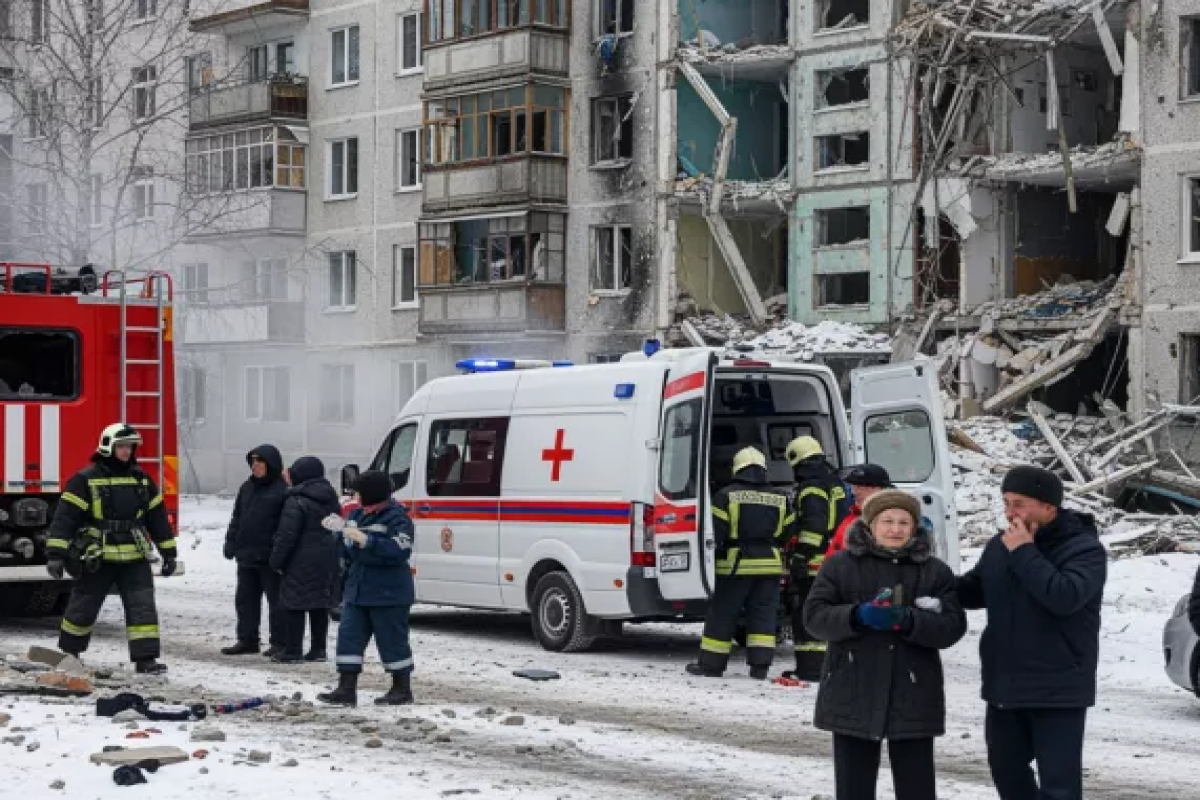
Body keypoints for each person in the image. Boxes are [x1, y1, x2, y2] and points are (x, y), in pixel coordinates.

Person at [804, 490, 966, 800]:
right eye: (887, 521)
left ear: (915, 526)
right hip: (852, 688)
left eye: (904, 522)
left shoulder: (934, 571)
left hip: (914, 691)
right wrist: (856, 615)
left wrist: (910, 621)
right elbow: (813, 617)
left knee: (917, 787)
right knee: (854, 788)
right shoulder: (840, 565)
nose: (895, 529)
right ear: (870, 525)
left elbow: (952, 627)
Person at [956, 466, 1107, 800]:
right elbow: (973, 590)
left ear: (1049, 507)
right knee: (1007, 775)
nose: (1011, 513)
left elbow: (1064, 597)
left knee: (1059, 788)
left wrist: (1025, 551)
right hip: (1005, 683)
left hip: (1058, 686)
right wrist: (926, 579)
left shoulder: (1084, 549)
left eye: (1019, 504)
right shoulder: (1001, 544)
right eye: (1007, 503)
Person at [45, 423, 177, 674]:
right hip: (98, 558)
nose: (127, 452)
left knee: (143, 609)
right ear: (108, 447)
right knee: (83, 606)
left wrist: (169, 553)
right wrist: (56, 555)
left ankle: (145, 659)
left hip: (135, 558)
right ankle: (70, 653)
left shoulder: (141, 480)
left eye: (130, 446)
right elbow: (65, 520)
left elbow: (158, 520)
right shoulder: (84, 480)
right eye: (122, 447)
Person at [685, 447, 796, 679]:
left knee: (724, 615)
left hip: (735, 565)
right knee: (764, 617)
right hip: (770, 565)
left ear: (737, 468)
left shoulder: (726, 495)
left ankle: (711, 666)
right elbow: (788, 532)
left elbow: (717, 533)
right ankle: (760, 667)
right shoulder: (780, 497)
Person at [317, 470, 416, 706]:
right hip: (358, 590)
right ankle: (346, 689)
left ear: (372, 493)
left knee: (392, 641)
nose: (356, 496)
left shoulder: (398, 518)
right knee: (349, 638)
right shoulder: (357, 516)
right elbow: (348, 551)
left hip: (388, 593)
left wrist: (367, 541)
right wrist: (339, 535)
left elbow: (399, 550)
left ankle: (402, 689)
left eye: (359, 492)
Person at [784, 435, 849, 681]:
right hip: (834, 558)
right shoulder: (834, 482)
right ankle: (825, 667)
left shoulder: (811, 486)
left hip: (814, 562)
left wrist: (800, 555)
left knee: (807, 615)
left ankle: (810, 669)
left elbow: (814, 525)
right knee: (828, 613)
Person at [269, 456, 341, 664]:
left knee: (294, 603)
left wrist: (276, 561)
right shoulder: (330, 497)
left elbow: (286, 535)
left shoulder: (296, 500)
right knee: (319, 603)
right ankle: (318, 649)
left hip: (300, 558)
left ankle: (293, 650)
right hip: (326, 557)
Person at [220, 445, 289, 657]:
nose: (256, 465)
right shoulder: (246, 487)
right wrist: (231, 541)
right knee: (245, 600)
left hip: (269, 557)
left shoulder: (282, 491)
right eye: (253, 461)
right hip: (246, 555)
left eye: (260, 461)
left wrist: (278, 553)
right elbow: (237, 518)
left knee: (276, 602)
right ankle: (247, 639)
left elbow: (286, 526)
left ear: (272, 464)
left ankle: (280, 642)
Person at [826, 464, 893, 559]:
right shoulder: (851, 517)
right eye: (854, 487)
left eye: (861, 487)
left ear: (880, 490)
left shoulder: (892, 521)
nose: (855, 492)